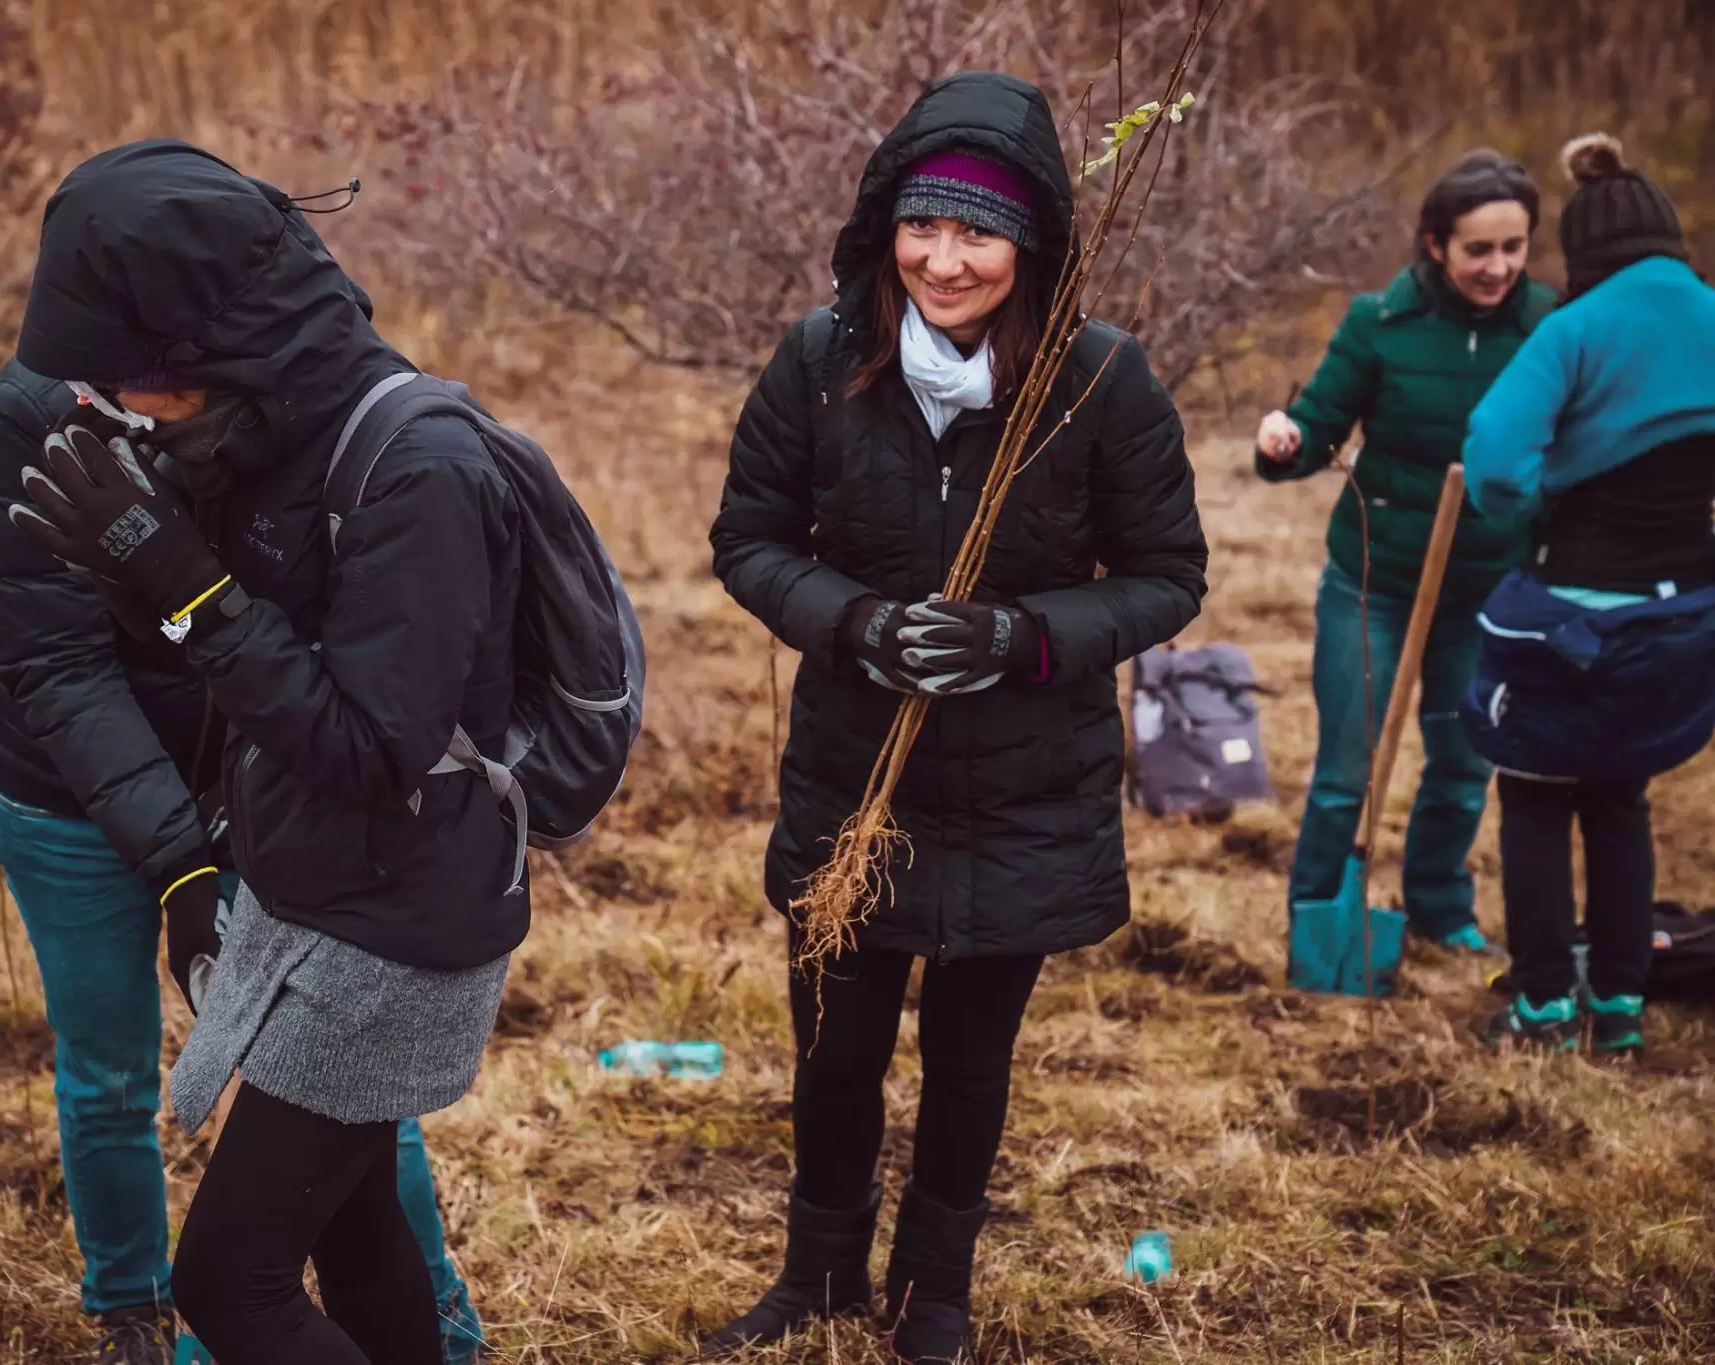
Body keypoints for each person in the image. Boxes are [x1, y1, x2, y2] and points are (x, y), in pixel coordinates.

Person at [705, 73, 1208, 1362]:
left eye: (976, 232)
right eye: (920, 226)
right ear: (885, 225)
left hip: (1022, 787)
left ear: (1030, 242)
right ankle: (818, 1275)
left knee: (969, 1059)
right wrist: (856, 622)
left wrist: (1022, 637)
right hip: (852, 778)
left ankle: (933, 1294)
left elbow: (1167, 575)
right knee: (834, 1049)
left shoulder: (1097, 381)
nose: (943, 260)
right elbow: (749, 539)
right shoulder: (820, 361)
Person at [3, 140, 523, 1365]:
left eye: (137, 383)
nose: (119, 408)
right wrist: (142, 581)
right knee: (353, 1229)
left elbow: (370, 749)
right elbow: (266, 673)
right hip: (317, 891)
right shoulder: (266, 439)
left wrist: (183, 586)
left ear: (219, 347)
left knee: (228, 1285)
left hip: (393, 922)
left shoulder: (416, 467)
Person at [1255, 149, 1558, 953]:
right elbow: (1319, 423)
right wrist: (1288, 440)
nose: (1498, 267)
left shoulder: (1548, 328)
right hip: (1374, 581)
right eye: (1478, 249)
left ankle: (1439, 907)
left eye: (1514, 248)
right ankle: (1320, 915)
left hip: (1486, 591)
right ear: (1434, 244)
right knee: (1345, 767)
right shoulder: (1380, 322)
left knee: (1462, 764)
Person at [1461, 134, 1715, 1053]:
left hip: (1574, 617)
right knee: (1619, 797)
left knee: (1535, 797)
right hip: (1683, 614)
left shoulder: (1575, 327)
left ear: (1583, 250)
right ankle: (1619, 1006)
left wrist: (1527, 509)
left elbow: (1495, 460)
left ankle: (1543, 1007)